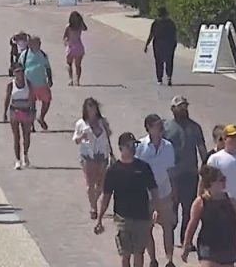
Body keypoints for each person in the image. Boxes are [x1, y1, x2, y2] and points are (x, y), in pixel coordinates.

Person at [95, 133, 159, 267]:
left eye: (134, 145)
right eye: (129, 145)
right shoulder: (114, 170)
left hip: (142, 216)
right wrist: (100, 218)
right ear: (121, 148)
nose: (133, 148)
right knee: (125, 253)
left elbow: (153, 189)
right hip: (123, 218)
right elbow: (106, 196)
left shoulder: (143, 167)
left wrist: (155, 208)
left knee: (138, 253)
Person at [163, 96, 207, 243]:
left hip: (190, 173)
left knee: (188, 209)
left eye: (185, 106)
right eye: (180, 107)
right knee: (172, 208)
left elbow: (201, 147)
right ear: (173, 109)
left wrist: (205, 166)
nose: (183, 109)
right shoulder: (166, 128)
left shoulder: (195, 127)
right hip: (172, 175)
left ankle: (185, 240)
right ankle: (169, 236)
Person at [136, 114, 177, 267]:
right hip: (145, 195)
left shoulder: (168, 146)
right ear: (148, 128)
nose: (160, 129)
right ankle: (153, 259)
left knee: (168, 227)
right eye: (157, 126)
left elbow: (171, 171)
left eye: (161, 126)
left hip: (165, 193)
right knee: (147, 229)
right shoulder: (140, 145)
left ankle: (169, 259)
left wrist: (174, 192)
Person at [181, 165, 236, 267]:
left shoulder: (231, 201)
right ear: (211, 183)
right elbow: (192, 224)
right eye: (221, 179)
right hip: (208, 246)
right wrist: (186, 246)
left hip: (228, 246)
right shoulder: (201, 202)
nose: (224, 181)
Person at [74, 98, 114, 217]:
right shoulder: (81, 123)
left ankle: (94, 200)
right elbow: (76, 140)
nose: (92, 111)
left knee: (101, 184)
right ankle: (93, 207)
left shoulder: (102, 121)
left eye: (93, 108)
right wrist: (82, 136)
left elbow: (109, 135)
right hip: (88, 156)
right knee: (90, 183)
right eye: (89, 109)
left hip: (102, 154)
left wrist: (107, 129)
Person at [3, 63, 35, 169]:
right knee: (16, 137)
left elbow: (32, 97)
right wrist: (4, 113)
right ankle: (17, 160)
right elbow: (7, 99)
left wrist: (33, 111)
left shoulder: (28, 83)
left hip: (26, 111)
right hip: (14, 112)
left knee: (27, 136)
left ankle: (25, 155)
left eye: (21, 71)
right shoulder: (11, 85)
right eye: (17, 72)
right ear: (13, 73)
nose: (19, 74)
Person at [19, 35, 53, 130]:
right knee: (31, 105)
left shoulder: (42, 54)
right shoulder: (24, 55)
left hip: (42, 83)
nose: (39, 44)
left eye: (39, 43)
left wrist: (50, 79)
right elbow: (19, 67)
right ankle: (31, 124)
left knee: (47, 101)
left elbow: (47, 67)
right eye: (36, 43)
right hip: (29, 84)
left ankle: (41, 117)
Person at [145, 7, 178, 85]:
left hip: (158, 44)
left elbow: (151, 35)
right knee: (169, 61)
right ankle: (169, 77)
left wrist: (146, 45)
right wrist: (174, 44)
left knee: (158, 62)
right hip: (169, 44)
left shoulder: (155, 23)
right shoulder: (171, 23)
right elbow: (174, 35)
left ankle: (159, 79)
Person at [64, 11, 87, 86]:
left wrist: (66, 42)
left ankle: (70, 79)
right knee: (78, 65)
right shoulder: (80, 26)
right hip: (79, 46)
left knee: (69, 64)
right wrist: (81, 21)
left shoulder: (68, 27)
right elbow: (85, 28)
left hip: (71, 47)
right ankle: (77, 80)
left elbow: (65, 36)